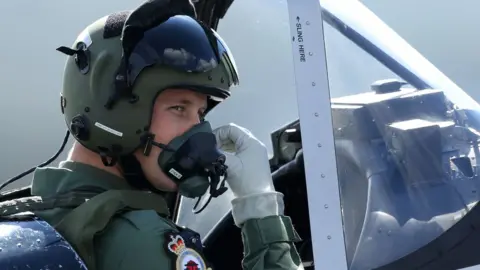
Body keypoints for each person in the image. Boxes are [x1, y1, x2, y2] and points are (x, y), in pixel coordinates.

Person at [27, 2, 304, 270]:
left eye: (201, 113)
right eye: (179, 108)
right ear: (117, 113)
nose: (199, 131)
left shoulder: (37, 216)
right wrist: (260, 206)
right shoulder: (142, 243)